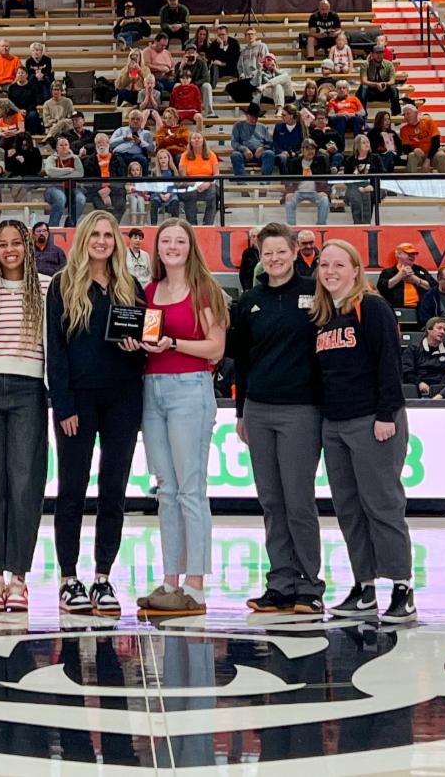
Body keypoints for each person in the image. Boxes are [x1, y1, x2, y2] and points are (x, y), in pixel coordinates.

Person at [45, 211, 146, 615]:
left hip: (123, 400)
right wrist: (64, 404)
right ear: (84, 239)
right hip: (78, 402)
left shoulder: (131, 287)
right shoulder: (62, 285)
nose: (102, 241)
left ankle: (103, 577)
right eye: (95, 234)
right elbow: (56, 351)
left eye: (108, 234)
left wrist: (137, 349)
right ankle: (68, 578)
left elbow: (143, 346)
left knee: (113, 490)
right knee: (71, 490)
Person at [312, 239, 415, 623]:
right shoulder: (323, 316)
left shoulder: (371, 307)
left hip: (373, 420)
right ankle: (364, 587)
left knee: (383, 505)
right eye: (324, 265)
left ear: (355, 270)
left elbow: (389, 363)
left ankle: (402, 588)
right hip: (335, 424)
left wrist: (386, 414)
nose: (330, 271)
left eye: (339, 264)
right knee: (349, 509)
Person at [232, 222, 325, 614]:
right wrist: (241, 411)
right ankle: (280, 582)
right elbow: (241, 361)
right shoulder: (249, 301)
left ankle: (309, 585)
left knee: (298, 500)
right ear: (260, 256)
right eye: (267, 253)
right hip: (259, 409)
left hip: (302, 409)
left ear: (294, 252)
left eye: (281, 252)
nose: (274, 259)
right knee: (271, 501)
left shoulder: (315, 293)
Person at [135, 219, 228, 613]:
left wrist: (174, 343)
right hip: (152, 389)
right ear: (157, 249)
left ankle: (195, 584)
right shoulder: (149, 291)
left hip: (190, 388)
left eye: (180, 241)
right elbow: (148, 339)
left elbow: (215, 348)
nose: (172, 247)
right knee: (166, 489)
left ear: (191, 247)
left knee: (190, 489)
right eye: (166, 241)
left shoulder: (204, 289)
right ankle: (170, 580)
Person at [0, 221, 51, 614]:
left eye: (17, 243)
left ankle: (19, 578)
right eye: (2, 244)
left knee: (25, 484)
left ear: (28, 248)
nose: (10, 250)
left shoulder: (47, 289)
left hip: (28, 389)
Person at [283, 139, 331, 226]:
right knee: (289, 200)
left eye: (312, 149)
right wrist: (289, 192)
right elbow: (288, 179)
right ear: (302, 150)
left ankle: (321, 226)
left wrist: (324, 191)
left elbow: (325, 178)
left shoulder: (321, 161)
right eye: (307, 149)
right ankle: (292, 227)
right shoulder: (294, 162)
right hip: (297, 192)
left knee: (324, 200)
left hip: (315, 192)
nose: (310, 151)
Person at [82, 132, 127, 223]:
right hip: (97, 192)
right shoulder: (89, 161)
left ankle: (113, 225)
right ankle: (106, 226)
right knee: (101, 209)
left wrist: (109, 189)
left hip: (115, 190)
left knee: (120, 204)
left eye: (103, 142)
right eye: (99, 143)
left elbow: (122, 178)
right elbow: (87, 181)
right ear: (95, 145)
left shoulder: (118, 159)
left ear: (108, 143)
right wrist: (101, 191)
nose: (101, 145)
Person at [177, 130, 220, 226]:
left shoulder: (211, 155)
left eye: (199, 138)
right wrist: (193, 183)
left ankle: (208, 224)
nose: (196, 140)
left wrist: (208, 183)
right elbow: (183, 175)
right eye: (194, 138)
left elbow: (216, 174)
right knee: (190, 192)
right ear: (190, 141)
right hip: (190, 183)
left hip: (207, 183)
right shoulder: (184, 156)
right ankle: (192, 224)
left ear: (203, 140)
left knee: (213, 193)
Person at [401, 317, 445, 396]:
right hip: (417, 387)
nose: (442, 332)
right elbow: (406, 370)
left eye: (444, 329)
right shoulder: (413, 349)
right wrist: (419, 383)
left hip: (441, 390)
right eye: (439, 328)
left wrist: (439, 389)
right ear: (429, 329)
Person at [43, 136, 85, 228]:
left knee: (80, 199)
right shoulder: (52, 158)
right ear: (57, 147)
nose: (64, 147)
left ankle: (70, 224)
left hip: (72, 188)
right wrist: (69, 170)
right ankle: (53, 227)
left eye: (66, 145)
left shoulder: (75, 158)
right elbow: (50, 172)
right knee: (60, 198)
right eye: (61, 145)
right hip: (54, 188)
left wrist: (59, 176)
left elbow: (80, 174)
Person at [376, 242, 434, 309]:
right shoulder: (388, 272)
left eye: (413, 254)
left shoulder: (420, 270)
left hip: (420, 309)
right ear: (398, 254)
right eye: (408, 254)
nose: (411, 256)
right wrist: (400, 276)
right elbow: (381, 288)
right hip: (396, 308)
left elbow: (434, 286)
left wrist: (416, 280)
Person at [400, 104, 445, 172]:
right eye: (404, 115)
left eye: (408, 113)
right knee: (411, 156)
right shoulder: (404, 129)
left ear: (416, 113)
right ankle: (411, 178)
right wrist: (414, 150)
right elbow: (405, 147)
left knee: (442, 156)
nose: (406, 117)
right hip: (418, 156)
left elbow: (436, 143)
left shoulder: (428, 121)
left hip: (432, 154)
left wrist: (428, 160)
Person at [230, 103, 275, 178]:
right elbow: (234, 142)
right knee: (235, 155)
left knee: (270, 154)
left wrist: (263, 148)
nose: (254, 119)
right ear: (247, 115)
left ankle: (265, 181)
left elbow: (270, 143)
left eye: (256, 117)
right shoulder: (238, 125)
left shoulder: (263, 127)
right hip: (244, 153)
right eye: (252, 117)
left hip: (260, 153)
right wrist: (244, 149)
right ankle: (241, 181)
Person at [357, 46, 401, 115]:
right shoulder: (365, 65)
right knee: (363, 87)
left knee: (394, 88)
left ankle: (396, 114)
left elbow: (392, 81)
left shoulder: (389, 64)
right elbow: (364, 81)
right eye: (377, 53)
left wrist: (384, 84)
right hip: (371, 93)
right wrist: (376, 85)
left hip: (384, 91)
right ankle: (363, 113)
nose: (379, 55)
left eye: (381, 53)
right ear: (372, 54)